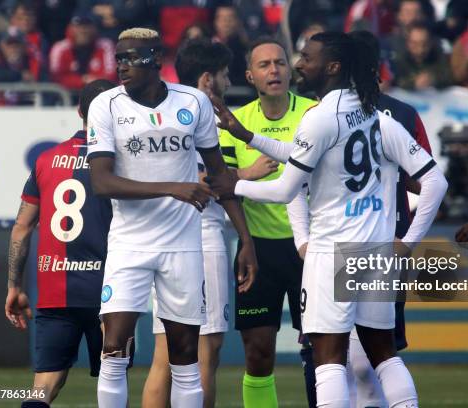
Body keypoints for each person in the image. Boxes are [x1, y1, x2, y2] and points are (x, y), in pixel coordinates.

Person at [207, 31, 447, 408]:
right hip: (376, 253)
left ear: (332, 67)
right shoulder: (374, 115)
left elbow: (286, 190)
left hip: (332, 253)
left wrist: (234, 185)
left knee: (328, 359)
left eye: (307, 57)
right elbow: (436, 180)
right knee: (384, 354)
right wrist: (408, 242)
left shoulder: (319, 118)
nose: (299, 64)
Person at [86, 27, 256, 408]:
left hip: (182, 246)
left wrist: (245, 240)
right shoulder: (106, 105)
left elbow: (218, 176)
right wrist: (172, 187)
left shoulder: (193, 102)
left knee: (185, 355)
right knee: (113, 348)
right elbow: (102, 182)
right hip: (129, 244)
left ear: (156, 60)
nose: (122, 66)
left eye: (132, 58)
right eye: (119, 58)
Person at [218, 37, 317, 408]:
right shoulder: (235, 121)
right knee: (258, 353)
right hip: (257, 248)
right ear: (250, 75)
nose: (274, 70)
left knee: (322, 348)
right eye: (264, 65)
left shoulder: (313, 113)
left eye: (279, 63)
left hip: (311, 247)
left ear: (290, 71)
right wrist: (249, 173)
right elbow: (222, 188)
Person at [4, 79, 115, 408]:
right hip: (108, 290)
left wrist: (14, 286)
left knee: (43, 387)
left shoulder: (46, 160)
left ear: (79, 111)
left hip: (55, 291)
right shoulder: (119, 163)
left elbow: (22, 228)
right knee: (113, 381)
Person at [141, 39, 235, 408]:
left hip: (163, 237)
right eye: (226, 75)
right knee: (205, 350)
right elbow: (200, 177)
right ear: (209, 79)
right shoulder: (201, 115)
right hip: (202, 236)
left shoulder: (163, 111)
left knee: (165, 355)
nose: (229, 82)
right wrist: (246, 174)